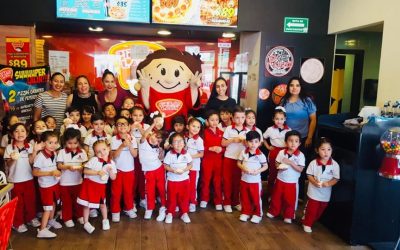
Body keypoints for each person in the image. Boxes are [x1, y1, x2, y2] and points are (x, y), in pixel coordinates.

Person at [280, 77, 317, 200]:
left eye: (297, 85)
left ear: (301, 87)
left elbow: (313, 120)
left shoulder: (307, 101)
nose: (294, 87)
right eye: (291, 85)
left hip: (303, 139)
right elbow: (279, 119)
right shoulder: (283, 101)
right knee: (284, 165)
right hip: (287, 139)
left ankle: (299, 195)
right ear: (288, 87)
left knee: (299, 166)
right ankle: (283, 193)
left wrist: (310, 137)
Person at [4, 123, 41, 233]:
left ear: (27, 133)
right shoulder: (9, 148)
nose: (20, 133)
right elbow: (8, 164)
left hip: (28, 178)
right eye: (16, 131)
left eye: (22, 131)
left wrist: (34, 151)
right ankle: (17, 223)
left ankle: (30, 218)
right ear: (12, 134)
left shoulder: (29, 146)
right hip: (14, 180)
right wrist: (12, 158)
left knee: (30, 200)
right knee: (18, 203)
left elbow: (31, 161)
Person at [77, 140, 117, 234]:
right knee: (87, 205)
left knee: (102, 204)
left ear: (108, 148)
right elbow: (85, 171)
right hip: (90, 185)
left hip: (100, 186)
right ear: (95, 153)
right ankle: (86, 223)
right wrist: (97, 172)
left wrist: (110, 170)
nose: (102, 153)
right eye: (98, 151)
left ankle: (105, 220)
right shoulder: (93, 160)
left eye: (104, 149)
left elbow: (113, 177)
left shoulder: (112, 163)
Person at [266, 130, 305, 224]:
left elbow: (300, 169)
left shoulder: (300, 155)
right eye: (290, 140)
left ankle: (288, 215)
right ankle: (273, 211)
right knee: (276, 197)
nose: (293, 143)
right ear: (286, 142)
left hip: (292, 182)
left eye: (296, 141)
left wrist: (291, 163)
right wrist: (279, 167)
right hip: (280, 179)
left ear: (299, 143)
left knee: (290, 200)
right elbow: (277, 164)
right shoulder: (281, 152)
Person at [302, 137, 340, 233]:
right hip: (314, 192)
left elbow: (336, 178)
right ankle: (307, 223)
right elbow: (309, 175)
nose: (326, 152)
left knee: (320, 210)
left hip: (325, 193)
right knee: (312, 209)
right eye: (323, 149)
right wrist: (314, 182)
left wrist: (328, 183)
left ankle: (309, 218)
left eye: (329, 149)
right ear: (317, 150)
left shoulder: (335, 165)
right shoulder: (313, 163)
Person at [32, 130, 63, 238]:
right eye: (50, 142)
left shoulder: (54, 153)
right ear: (44, 143)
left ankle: (50, 220)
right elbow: (35, 172)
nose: (53, 145)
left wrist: (57, 173)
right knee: (47, 208)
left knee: (53, 203)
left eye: (55, 142)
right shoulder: (40, 156)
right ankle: (42, 230)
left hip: (54, 184)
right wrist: (50, 173)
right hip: (46, 186)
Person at [56, 128, 88, 228]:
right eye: (70, 143)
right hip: (65, 182)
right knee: (66, 202)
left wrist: (81, 168)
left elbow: (85, 165)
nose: (72, 145)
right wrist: (68, 167)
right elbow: (59, 166)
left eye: (75, 143)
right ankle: (67, 218)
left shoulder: (82, 152)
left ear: (78, 142)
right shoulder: (61, 152)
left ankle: (79, 215)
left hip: (78, 181)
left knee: (78, 200)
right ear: (65, 142)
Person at [110, 116, 138, 222]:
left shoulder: (133, 138)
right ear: (116, 127)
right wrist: (122, 146)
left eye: (124, 124)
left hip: (129, 170)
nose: (122, 126)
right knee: (116, 192)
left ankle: (129, 208)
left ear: (129, 126)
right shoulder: (113, 139)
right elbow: (113, 156)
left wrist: (129, 144)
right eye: (119, 124)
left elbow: (135, 155)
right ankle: (115, 211)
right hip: (117, 171)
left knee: (128, 191)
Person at [237, 131, 268, 224]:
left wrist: (258, 171)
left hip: (255, 181)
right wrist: (243, 168)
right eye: (250, 141)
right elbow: (238, 163)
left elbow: (265, 166)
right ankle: (246, 212)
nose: (253, 144)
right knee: (244, 197)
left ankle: (258, 214)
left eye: (256, 141)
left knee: (256, 198)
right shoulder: (243, 152)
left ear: (259, 143)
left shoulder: (261, 155)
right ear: (246, 142)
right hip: (244, 179)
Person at [221, 105, 248, 213]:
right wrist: (233, 140)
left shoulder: (247, 131)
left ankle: (235, 202)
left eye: (242, 117)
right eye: (237, 117)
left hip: (240, 160)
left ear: (245, 118)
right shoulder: (228, 129)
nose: (239, 120)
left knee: (237, 182)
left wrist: (245, 142)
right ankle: (227, 202)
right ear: (232, 118)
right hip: (229, 158)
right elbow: (223, 143)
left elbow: (250, 145)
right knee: (227, 181)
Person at [139, 124, 166, 221]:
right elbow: (144, 135)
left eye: (159, 140)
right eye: (155, 136)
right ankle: (149, 208)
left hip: (159, 169)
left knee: (162, 189)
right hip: (149, 172)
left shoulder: (158, 148)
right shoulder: (143, 143)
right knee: (149, 191)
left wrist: (161, 150)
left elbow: (161, 158)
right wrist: (154, 124)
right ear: (151, 134)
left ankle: (163, 207)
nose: (156, 140)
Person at [163, 133, 193, 224]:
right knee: (171, 198)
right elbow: (165, 166)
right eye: (175, 142)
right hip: (172, 180)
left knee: (184, 198)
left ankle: (184, 213)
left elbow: (190, 164)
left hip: (184, 180)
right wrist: (173, 170)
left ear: (184, 143)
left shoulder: (187, 153)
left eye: (180, 141)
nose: (178, 143)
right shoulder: (169, 154)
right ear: (171, 145)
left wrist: (184, 170)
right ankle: (170, 213)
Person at [263, 107, 291, 199]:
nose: (279, 121)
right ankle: (270, 193)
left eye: (281, 119)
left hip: (285, 152)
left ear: (285, 119)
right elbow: (263, 138)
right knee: (273, 173)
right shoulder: (270, 129)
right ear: (273, 119)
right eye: (277, 119)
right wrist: (268, 146)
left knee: (284, 173)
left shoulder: (289, 130)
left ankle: (281, 195)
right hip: (274, 152)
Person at [200, 110, 224, 210]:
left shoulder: (222, 133)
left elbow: (226, 147)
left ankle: (218, 201)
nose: (214, 122)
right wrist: (209, 148)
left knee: (217, 181)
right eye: (212, 120)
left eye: (216, 120)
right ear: (207, 121)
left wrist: (221, 149)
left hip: (218, 160)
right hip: (207, 160)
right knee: (205, 180)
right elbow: (200, 147)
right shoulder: (204, 132)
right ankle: (204, 199)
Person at [130, 106, 150, 208]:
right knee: (133, 180)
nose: (137, 118)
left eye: (140, 115)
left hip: (143, 157)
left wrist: (141, 129)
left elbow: (149, 139)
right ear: (131, 116)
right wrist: (131, 129)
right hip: (131, 157)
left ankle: (143, 198)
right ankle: (132, 200)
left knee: (143, 178)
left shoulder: (146, 126)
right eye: (135, 115)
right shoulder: (128, 126)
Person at [185, 117, 204, 212]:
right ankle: (183, 202)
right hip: (183, 167)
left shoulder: (199, 140)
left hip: (194, 167)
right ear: (188, 127)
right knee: (183, 185)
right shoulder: (183, 137)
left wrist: (189, 156)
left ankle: (192, 202)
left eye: (198, 127)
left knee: (192, 185)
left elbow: (201, 154)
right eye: (193, 126)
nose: (196, 129)